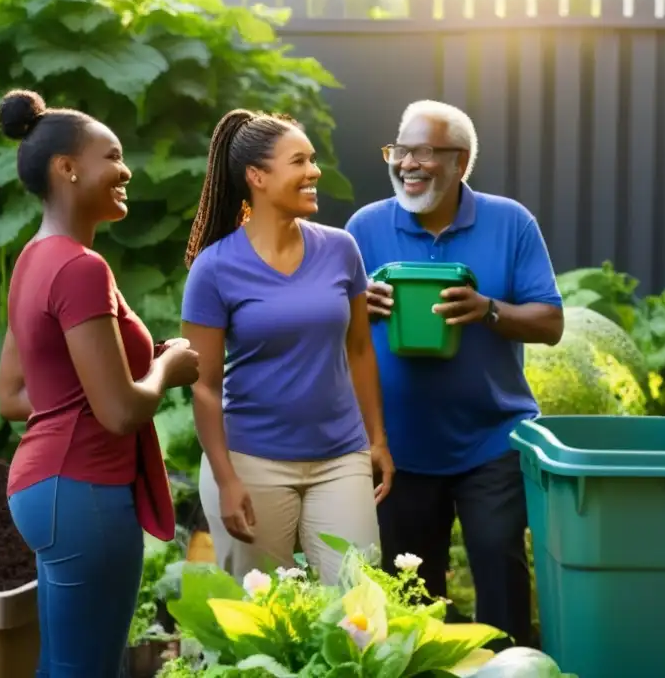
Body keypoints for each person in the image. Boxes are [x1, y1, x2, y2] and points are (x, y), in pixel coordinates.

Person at [344, 99, 564, 648]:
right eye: (400, 150)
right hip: (397, 447)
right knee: (408, 599)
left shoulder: (510, 222)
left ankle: (509, 666)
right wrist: (355, 307)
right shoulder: (364, 228)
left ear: (461, 162)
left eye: (425, 151)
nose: (407, 163)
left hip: (492, 441)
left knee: (501, 577)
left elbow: (551, 321)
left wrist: (487, 309)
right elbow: (330, 330)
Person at [0, 89, 200, 678]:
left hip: (46, 488)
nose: (125, 169)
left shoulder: (33, 259)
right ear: (67, 168)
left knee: (65, 664)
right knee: (88, 669)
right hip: (84, 487)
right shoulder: (83, 268)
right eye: (111, 156)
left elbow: (13, 395)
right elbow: (119, 413)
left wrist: (109, 380)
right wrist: (166, 370)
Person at [182, 109, 393, 584]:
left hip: (340, 458)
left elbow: (360, 348)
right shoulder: (214, 269)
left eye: (312, 160)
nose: (314, 171)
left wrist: (376, 439)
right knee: (259, 620)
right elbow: (204, 387)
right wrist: (226, 478)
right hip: (251, 462)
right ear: (257, 176)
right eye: (299, 161)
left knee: (360, 612)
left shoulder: (341, 249)